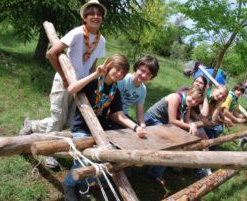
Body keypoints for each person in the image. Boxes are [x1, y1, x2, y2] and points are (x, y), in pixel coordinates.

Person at [19, 0, 107, 168]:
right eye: (92, 13)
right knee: (58, 118)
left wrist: (92, 85)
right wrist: (64, 76)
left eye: (99, 14)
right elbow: (51, 53)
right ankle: (47, 152)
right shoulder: (77, 33)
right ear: (85, 17)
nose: (96, 16)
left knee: (68, 121)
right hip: (64, 81)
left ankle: (32, 125)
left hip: (81, 85)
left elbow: (94, 63)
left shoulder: (101, 40)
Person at [63, 54, 146, 201]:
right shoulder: (94, 81)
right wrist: (95, 74)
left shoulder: (115, 91)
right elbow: (71, 89)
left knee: (103, 157)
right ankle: (69, 184)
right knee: (85, 158)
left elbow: (119, 115)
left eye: (123, 72)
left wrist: (135, 127)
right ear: (109, 66)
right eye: (118, 69)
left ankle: (84, 183)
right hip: (81, 127)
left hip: (99, 130)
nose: (120, 74)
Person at [144, 87, 205, 185]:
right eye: (193, 99)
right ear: (188, 93)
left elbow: (186, 119)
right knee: (170, 142)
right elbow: (172, 120)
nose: (194, 102)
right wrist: (190, 126)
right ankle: (155, 172)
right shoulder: (175, 98)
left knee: (181, 139)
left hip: (164, 123)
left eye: (197, 102)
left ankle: (167, 164)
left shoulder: (187, 103)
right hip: (151, 120)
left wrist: (192, 124)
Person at [110, 55, 160, 129]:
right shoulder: (122, 80)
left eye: (149, 74)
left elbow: (140, 114)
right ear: (137, 67)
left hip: (124, 116)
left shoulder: (143, 89)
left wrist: (143, 126)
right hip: (112, 115)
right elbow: (110, 110)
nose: (144, 75)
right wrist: (135, 127)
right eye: (142, 70)